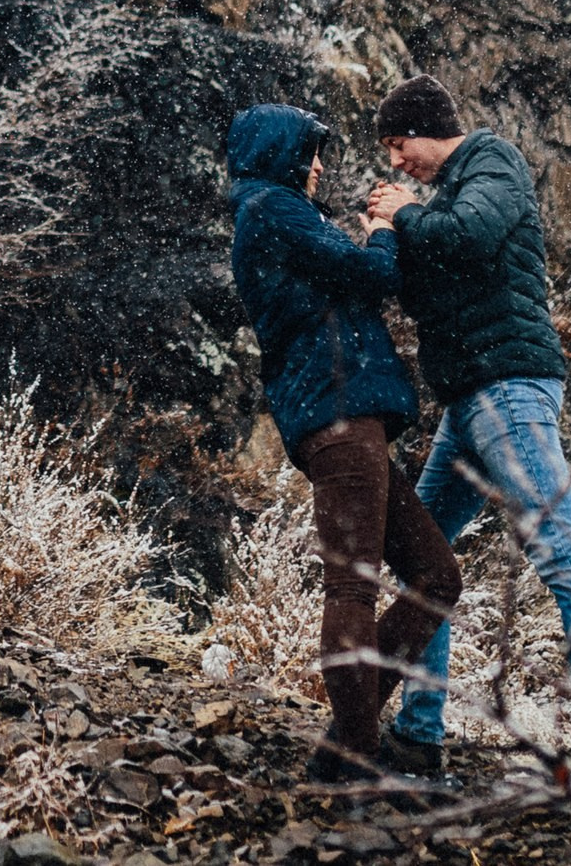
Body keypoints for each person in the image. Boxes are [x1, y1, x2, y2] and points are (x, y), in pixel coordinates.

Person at [362, 75, 571, 775]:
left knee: (567, 560)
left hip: (507, 389)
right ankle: (418, 733)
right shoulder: (449, 195)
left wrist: (407, 213)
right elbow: (432, 281)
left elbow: (470, 236)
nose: (396, 161)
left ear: (426, 128)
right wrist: (385, 236)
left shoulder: (492, 161)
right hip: (471, 401)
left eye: (398, 144)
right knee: (425, 562)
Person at [228, 104, 462, 782]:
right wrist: (383, 231)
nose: (319, 166)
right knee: (352, 590)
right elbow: (373, 276)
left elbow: (349, 281)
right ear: (279, 154)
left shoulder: (273, 215)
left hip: (347, 414)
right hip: (337, 412)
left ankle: (346, 743)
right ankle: (360, 757)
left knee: (437, 577)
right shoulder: (272, 208)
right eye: (310, 152)